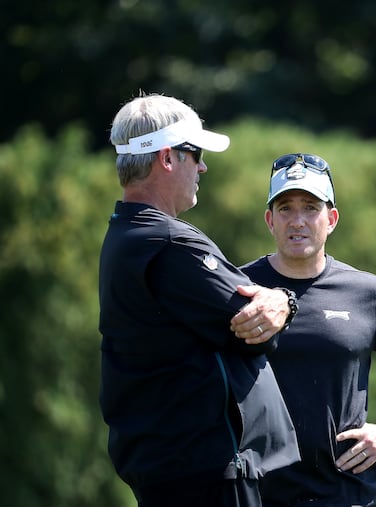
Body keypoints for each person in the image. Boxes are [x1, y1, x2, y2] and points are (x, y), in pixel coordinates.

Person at [98, 94, 301, 507]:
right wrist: (283, 299)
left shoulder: (125, 233)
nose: (203, 166)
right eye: (196, 153)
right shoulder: (170, 240)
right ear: (168, 158)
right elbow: (257, 331)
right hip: (207, 474)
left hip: (175, 468)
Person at [230, 153, 376, 507]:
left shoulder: (367, 293)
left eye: (310, 208)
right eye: (285, 208)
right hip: (254, 493)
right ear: (270, 220)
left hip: (342, 494)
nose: (297, 221)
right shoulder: (238, 288)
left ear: (331, 219)